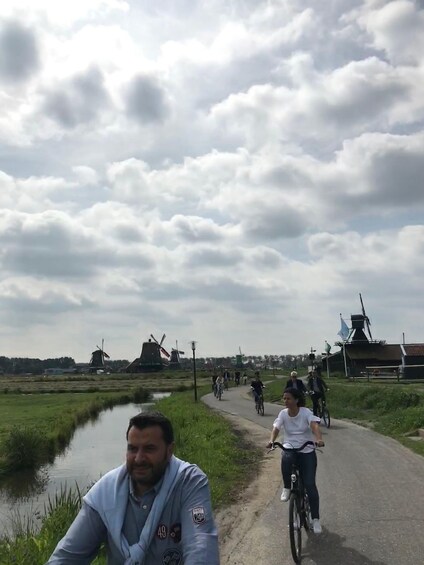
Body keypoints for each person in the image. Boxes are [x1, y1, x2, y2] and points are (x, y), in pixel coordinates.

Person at [47, 411, 220, 564]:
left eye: (149, 449)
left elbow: (200, 544)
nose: (138, 458)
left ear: (169, 451)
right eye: (132, 449)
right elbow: (67, 556)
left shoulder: (189, 482)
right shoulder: (105, 492)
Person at [266, 388, 324, 534]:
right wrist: (271, 441)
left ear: (296, 400)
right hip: (290, 448)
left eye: (288, 398)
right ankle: (286, 487)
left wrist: (318, 439)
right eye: (284, 398)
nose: (285, 401)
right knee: (286, 457)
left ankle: (315, 519)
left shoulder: (305, 412)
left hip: (306, 450)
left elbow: (314, 425)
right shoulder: (283, 414)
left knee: (310, 485)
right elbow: (276, 427)